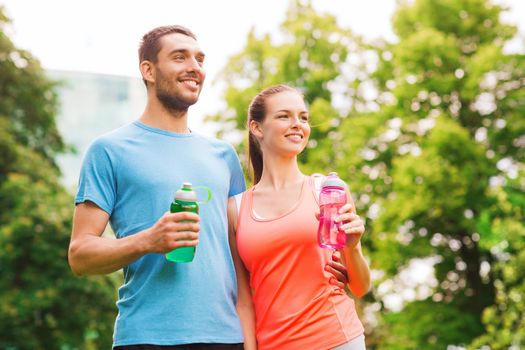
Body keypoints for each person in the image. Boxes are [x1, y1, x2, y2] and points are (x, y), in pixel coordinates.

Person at [68, 25, 348, 350]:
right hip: (145, 337)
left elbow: (249, 252)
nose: (194, 67)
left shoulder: (223, 156)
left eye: (200, 59)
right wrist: (149, 240)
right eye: (179, 57)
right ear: (148, 70)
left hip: (227, 337)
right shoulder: (110, 150)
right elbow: (80, 256)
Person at [227, 84, 371, 350]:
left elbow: (361, 287)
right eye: (284, 116)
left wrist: (352, 248)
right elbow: (244, 301)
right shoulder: (236, 209)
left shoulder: (328, 191)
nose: (297, 124)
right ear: (257, 127)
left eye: (303, 118)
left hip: (337, 339)